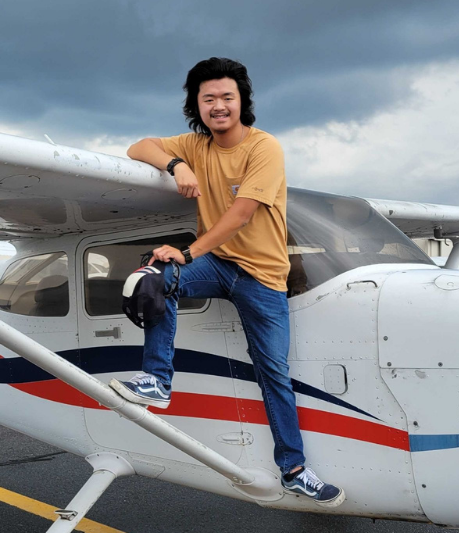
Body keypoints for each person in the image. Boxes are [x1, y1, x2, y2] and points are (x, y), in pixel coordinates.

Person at [110, 57, 345, 506]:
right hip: (218, 263)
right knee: (156, 277)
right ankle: (157, 380)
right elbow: (138, 147)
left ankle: (293, 469)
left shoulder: (264, 148)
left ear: (242, 102)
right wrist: (178, 164)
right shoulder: (196, 146)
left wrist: (189, 250)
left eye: (227, 98)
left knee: (274, 373)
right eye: (208, 99)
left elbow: (241, 215)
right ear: (196, 106)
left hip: (263, 277)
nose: (218, 106)